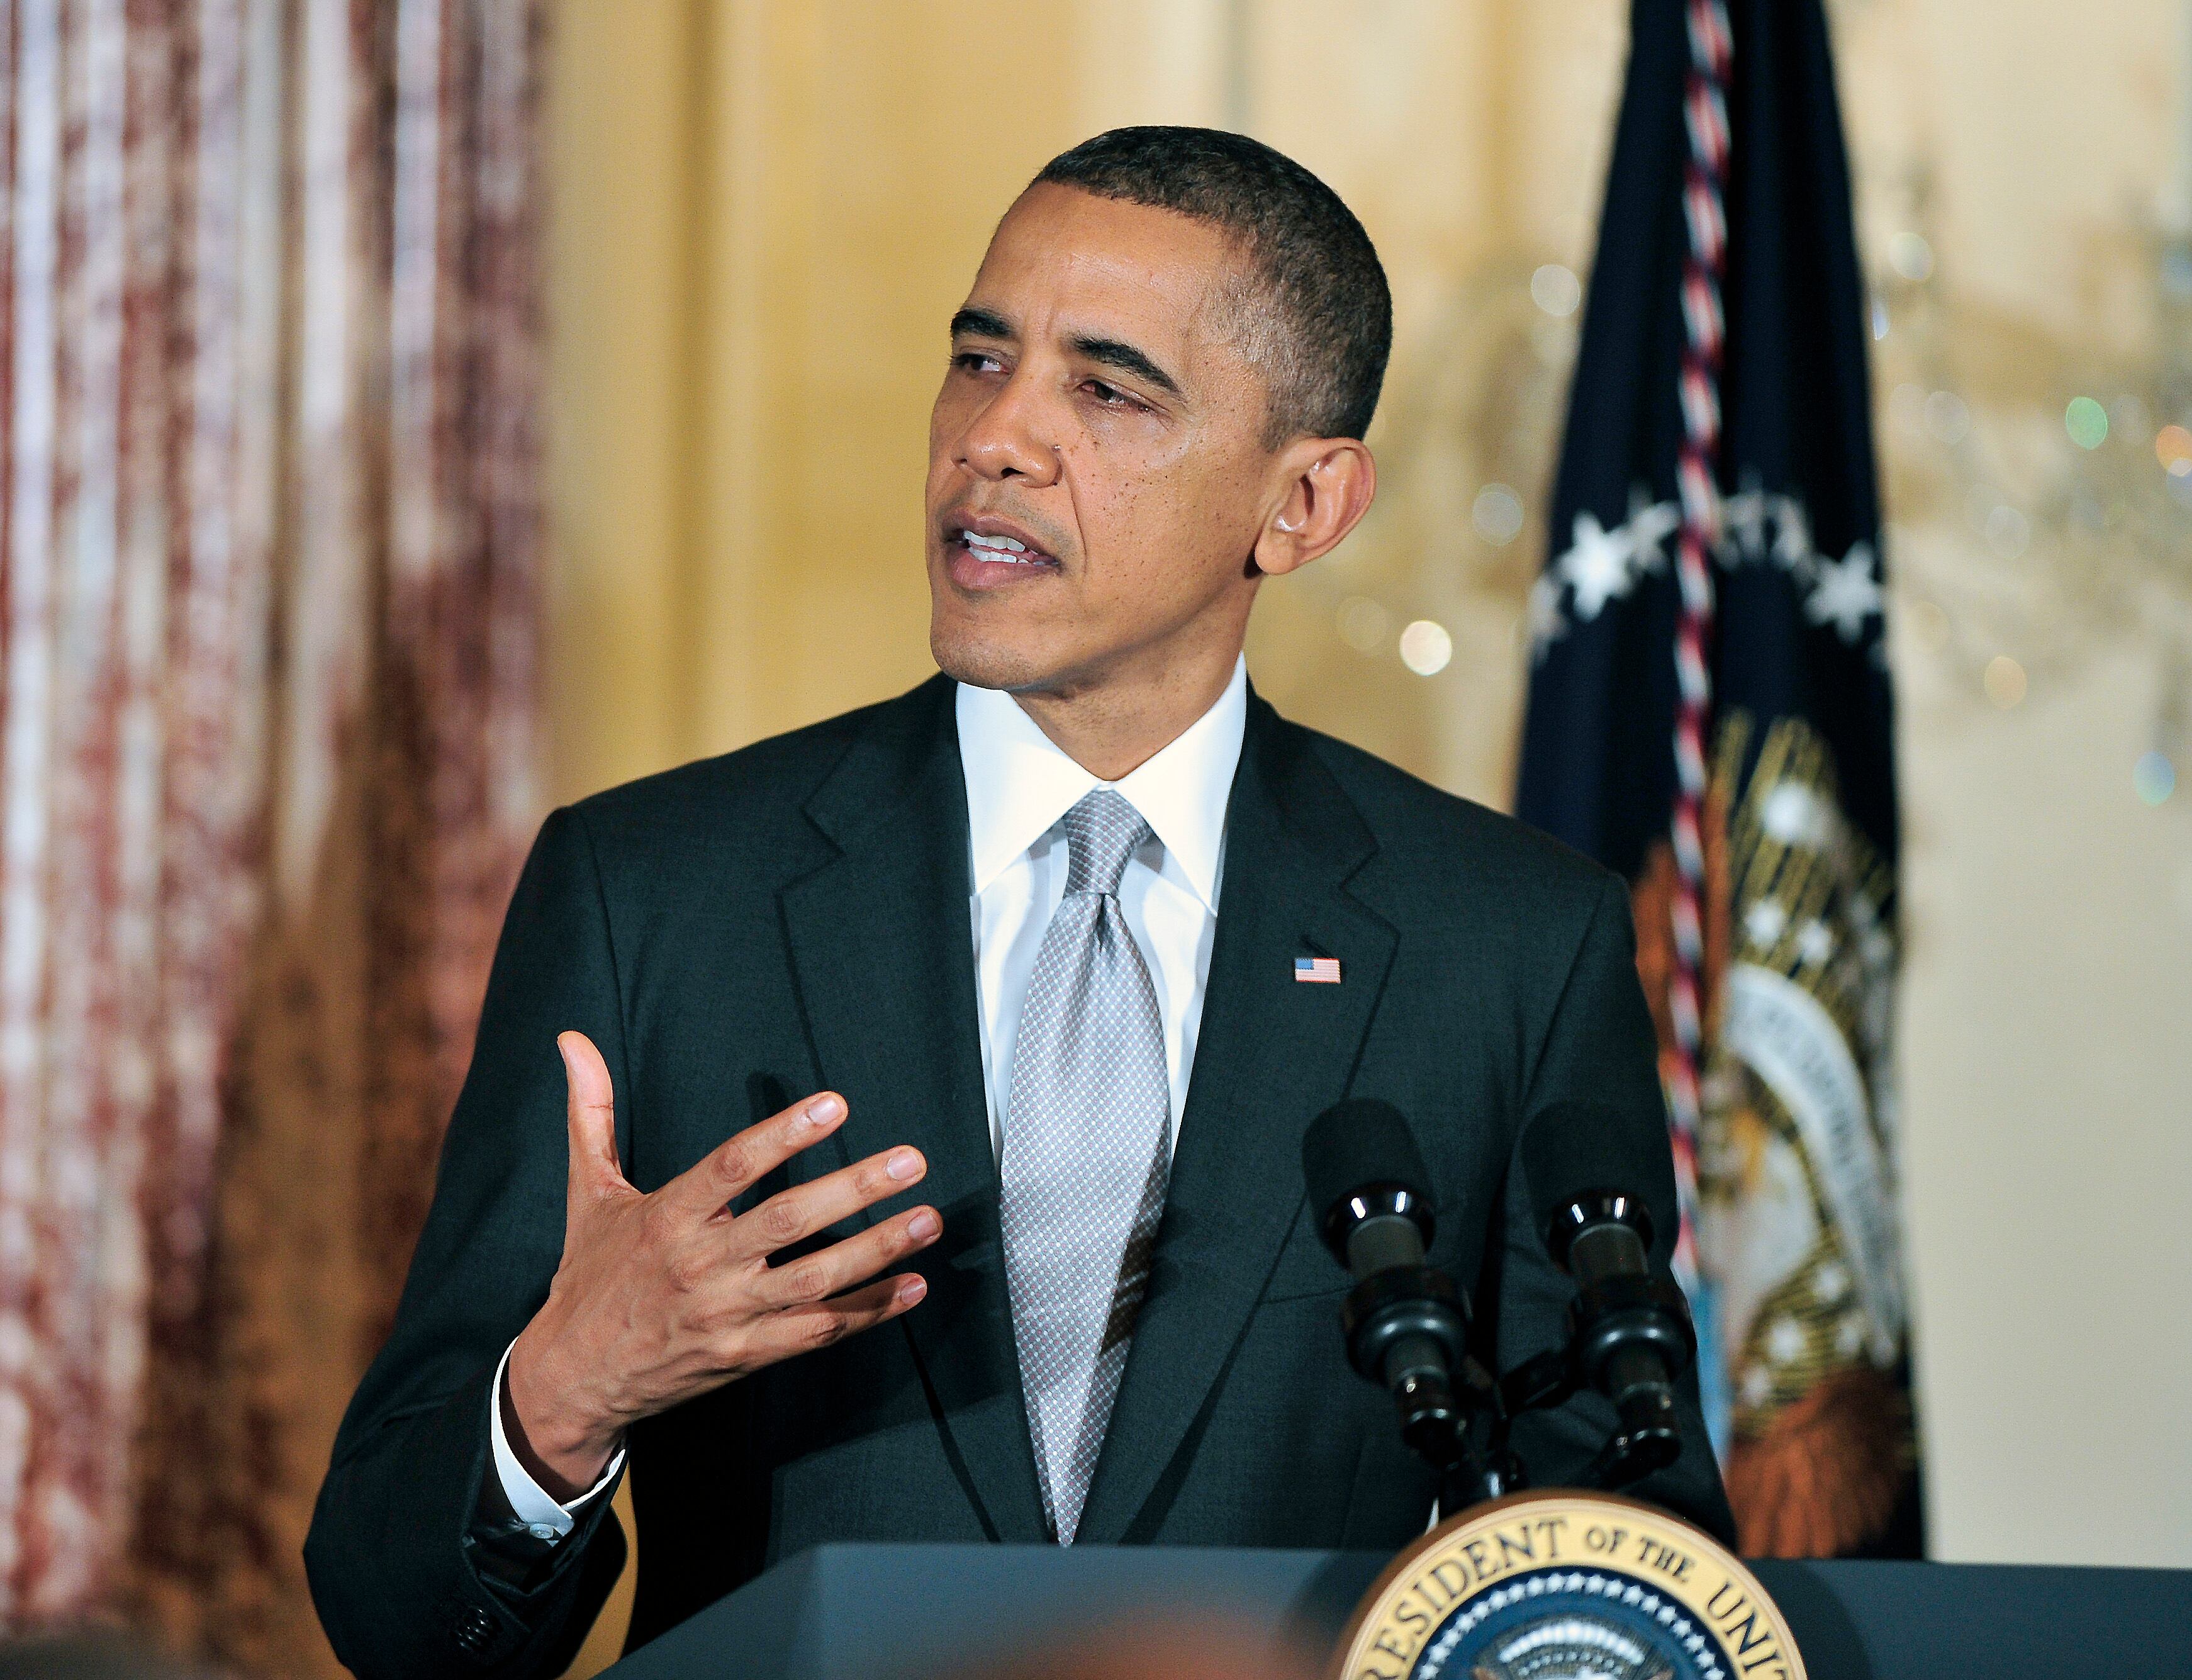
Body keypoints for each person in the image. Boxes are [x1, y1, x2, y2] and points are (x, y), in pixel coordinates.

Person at [304, 126, 1731, 1679]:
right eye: (979, 360)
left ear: (1303, 505)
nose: (998, 437)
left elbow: (1626, 1569)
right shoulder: (655, 897)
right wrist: (563, 1391)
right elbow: (399, 1630)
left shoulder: (1509, 948)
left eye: (1106, 389)